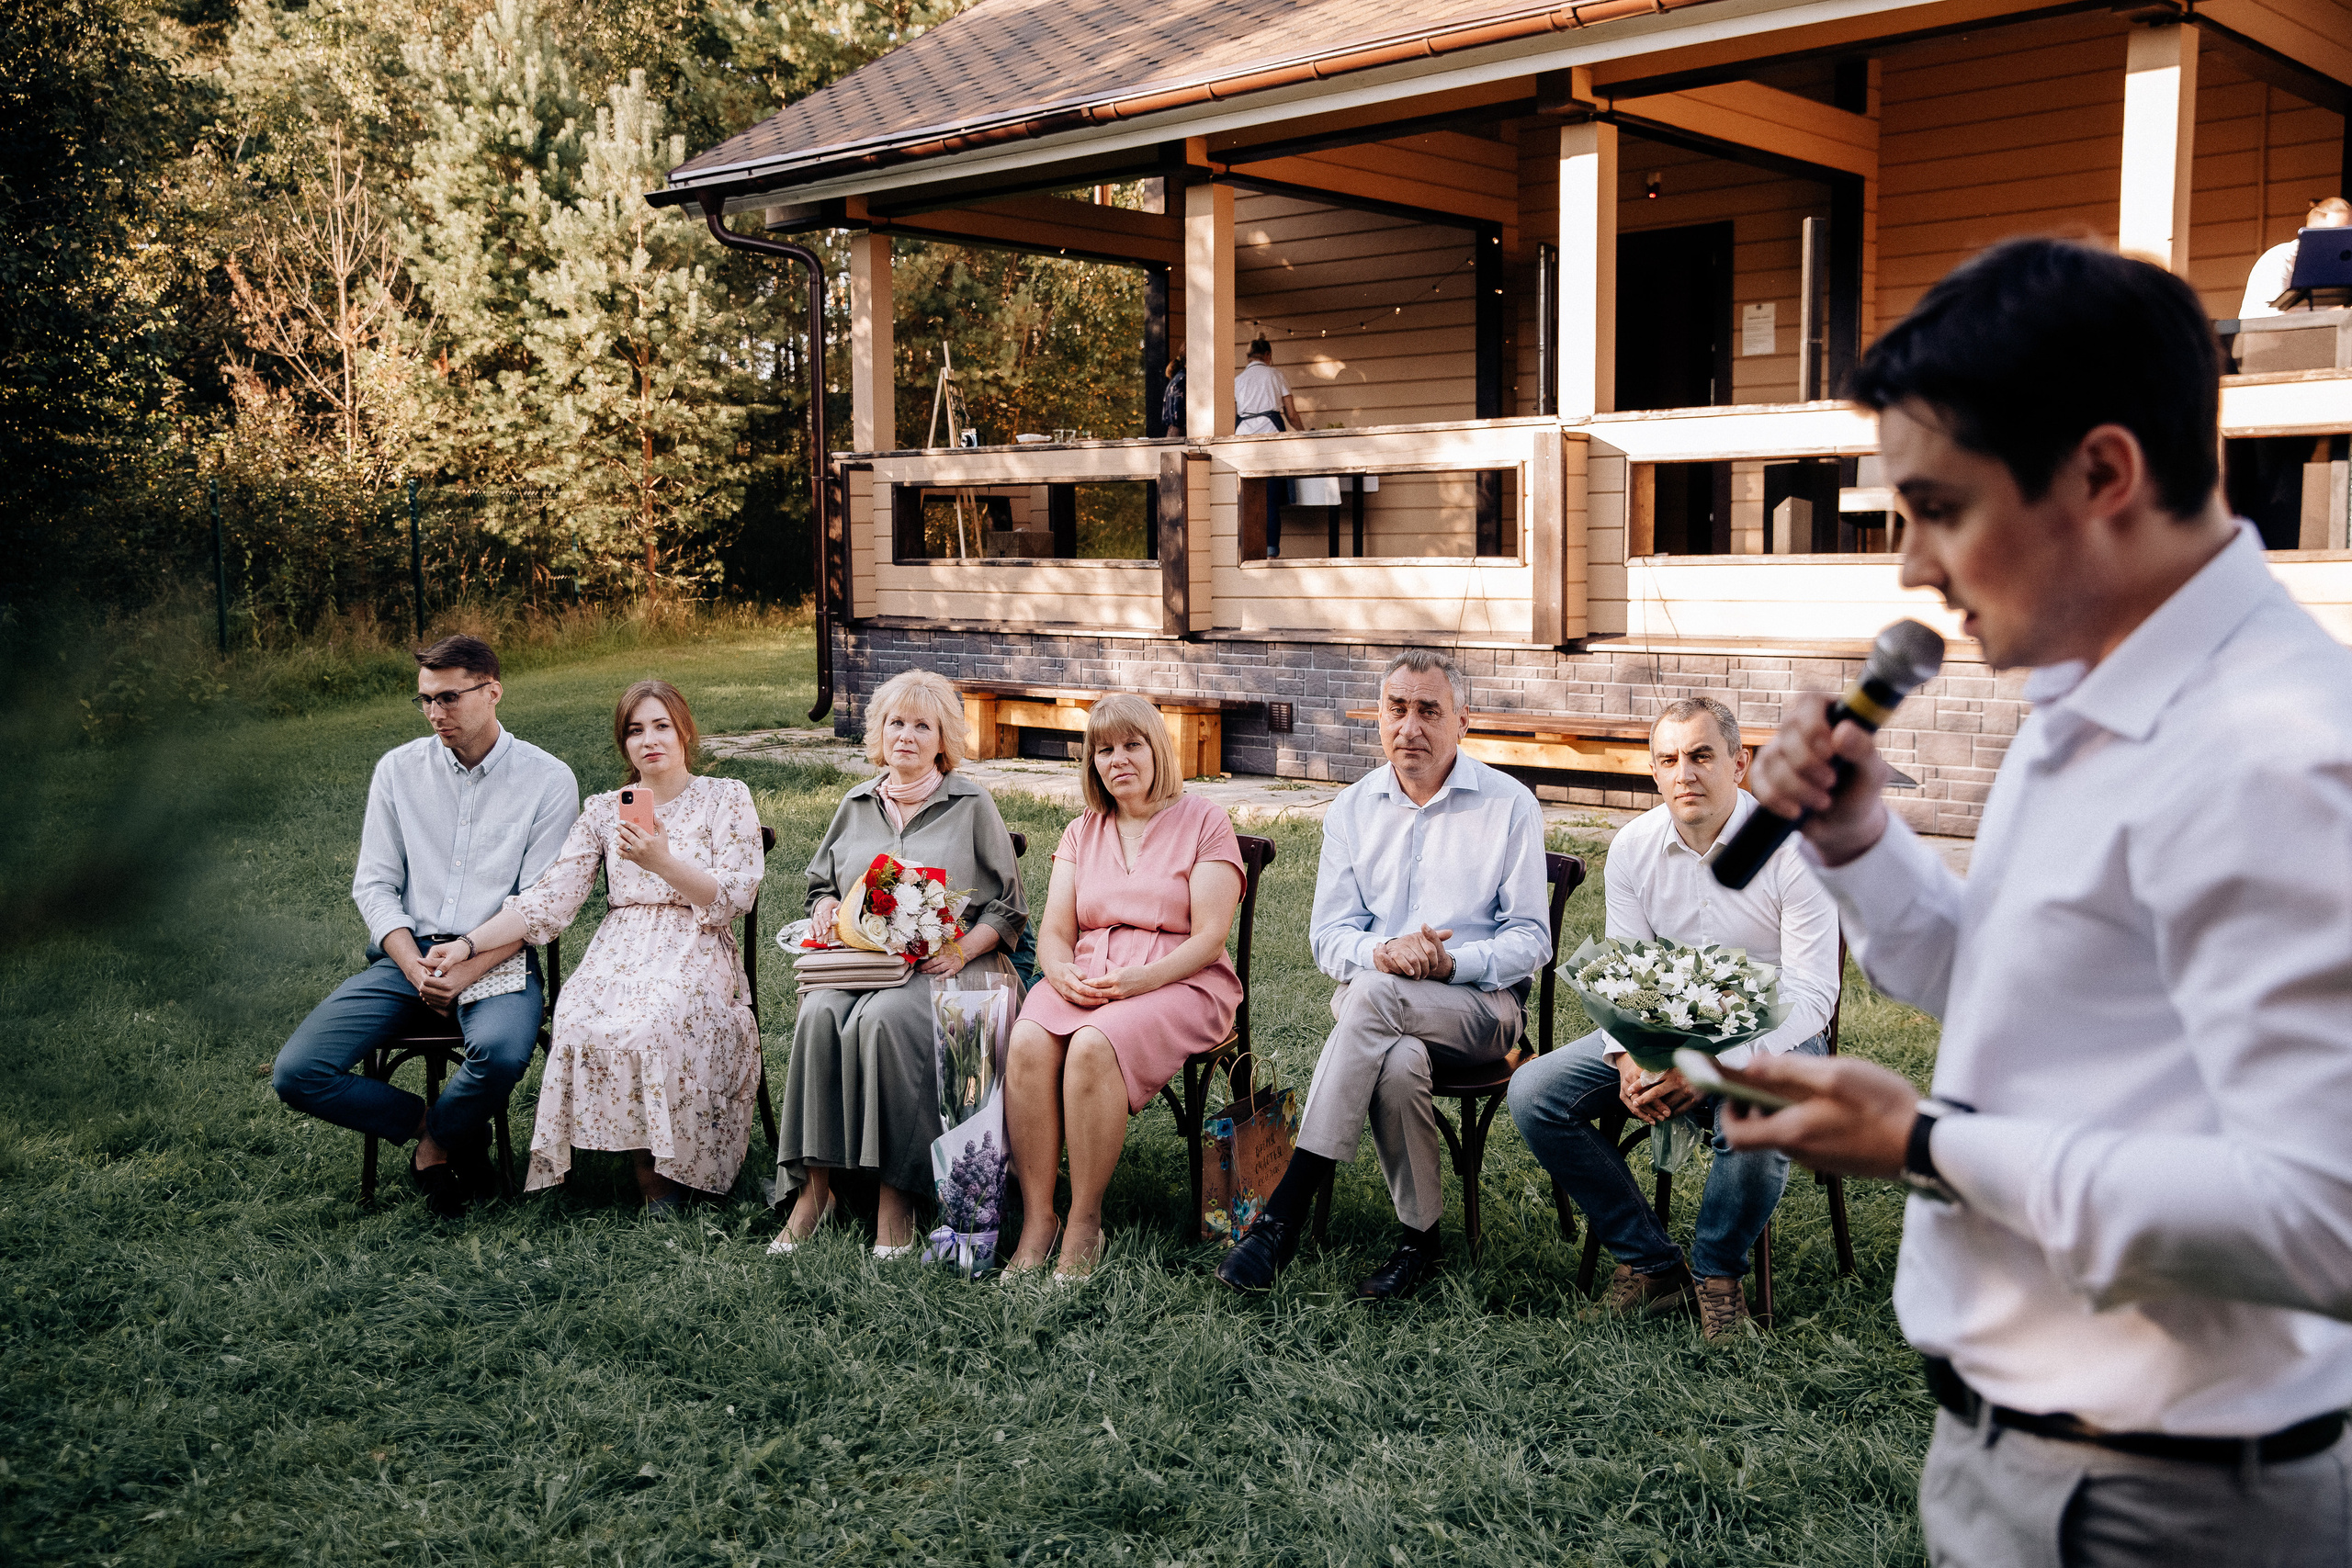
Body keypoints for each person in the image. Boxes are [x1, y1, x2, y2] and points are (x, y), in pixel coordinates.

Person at [1720, 237, 2352, 1564]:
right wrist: (1859, 839)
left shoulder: (2274, 750)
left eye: (1938, 507)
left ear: (2103, 474)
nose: (1910, 567)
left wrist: (1930, 1145)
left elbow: (2324, 1219)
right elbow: (2026, 993)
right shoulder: (2089, 692)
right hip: (2023, 1459)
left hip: (2155, 1501)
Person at [1216, 649, 1549, 1301]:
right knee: (1397, 1060)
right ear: (1379, 715)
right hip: (1383, 1007)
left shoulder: (1509, 805)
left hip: (1483, 1011)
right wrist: (1384, 952)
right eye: (1397, 708)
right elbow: (1329, 937)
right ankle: (1419, 1243)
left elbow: (1532, 940)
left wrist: (1454, 962)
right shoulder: (1352, 809)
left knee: (1369, 999)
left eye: (1429, 710)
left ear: (1462, 721)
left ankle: (1280, 1218)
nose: (1410, 726)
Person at [1505, 696, 1838, 1339]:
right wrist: (1627, 1054)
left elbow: (1811, 991)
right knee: (1534, 1090)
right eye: (1668, 759)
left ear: (1739, 764)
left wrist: (1709, 1065)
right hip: (1665, 1025)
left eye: (1701, 755)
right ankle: (1652, 1264)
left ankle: (1717, 1275)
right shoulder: (1633, 847)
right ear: (1654, 772)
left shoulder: (1795, 848)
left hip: (1776, 1034)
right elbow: (1626, 974)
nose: (1684, 773)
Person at [271, 635, 580, 1217]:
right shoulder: (398, 770)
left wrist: (465, 968)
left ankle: (434, 1150)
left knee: (501, 1052)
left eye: (449, 698)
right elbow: (375, 885)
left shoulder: (548, 779)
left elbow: (541, 904)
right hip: (405, 956)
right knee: (297, 1073)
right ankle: (444, 1129)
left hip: (495, 956)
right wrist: (413, 966)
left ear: (493, 692)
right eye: (426, 700)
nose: (436, 713)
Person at [435, 680, 765, 1213]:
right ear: (623, 743)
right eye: (635, 731)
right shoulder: (605, 811)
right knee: (578, 1019)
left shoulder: (726, 796)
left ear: (684, 731)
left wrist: (662, 862)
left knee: (654, 1023)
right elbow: (549, 899)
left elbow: (736, 896)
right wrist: (467, 945)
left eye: (661, 726)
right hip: (620, 947)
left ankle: (666, 1177)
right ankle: (635, 1161)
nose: (649, 741)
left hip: (696, 942)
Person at [771, 669, 1029, 1257]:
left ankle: (898, 1198)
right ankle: (816, 1191)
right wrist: (826, 906)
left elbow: (1009, 908)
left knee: (884, 1020)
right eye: (895, 723)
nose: (906, 736)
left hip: (951, 965)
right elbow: (820, 886)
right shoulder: (855, 804)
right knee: (818, 1016)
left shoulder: (971, 804)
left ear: (943, 740)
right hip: (862, 964)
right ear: (880, 733)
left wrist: (962, 948)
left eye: (922, 726)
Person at [1002, 694, 1247, 1279]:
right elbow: (1055, 932)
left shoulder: (1204, 821)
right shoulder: (1081, 831)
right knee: (1028, 1040)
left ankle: (1085, 1221)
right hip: (1092, 971)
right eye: (1104, 749)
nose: (1118, 760)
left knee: (1093, 1044)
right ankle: (1039, 1218)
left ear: (1158, 749)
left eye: (1132, 745)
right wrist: (1057, 971)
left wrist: (1144, 980)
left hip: (1181, 978)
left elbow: (1210, 937)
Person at [2237, 195, 2351, 318]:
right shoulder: (2279, 258)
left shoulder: (2341, 266)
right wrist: (2339, 312)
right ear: (2313, 232)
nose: (2344, 241)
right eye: (2337, 234)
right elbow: (2272, 316)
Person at [1234, 337, 1302, 435]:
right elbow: (1291, 415)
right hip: (1271, 429)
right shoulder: (1277, 375)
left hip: (1243, 432)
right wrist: (1305, 434)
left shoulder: (1238, 380)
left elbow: (1232, 416)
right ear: (1268, 355)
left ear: (1248, 357)